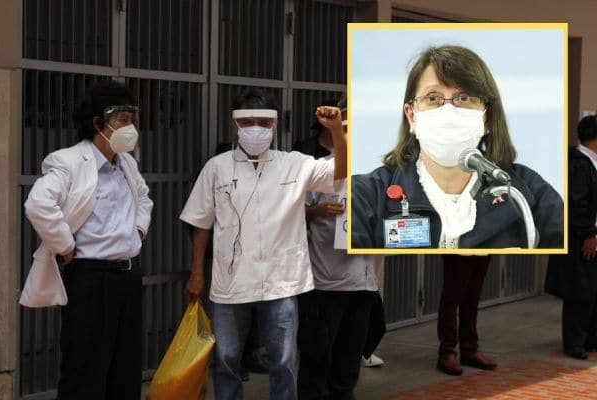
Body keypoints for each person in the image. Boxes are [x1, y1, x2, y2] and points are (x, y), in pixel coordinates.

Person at [179, 88, 346, 400]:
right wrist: (196, 273)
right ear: (234, 125)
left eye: (263, 123)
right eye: (247, 122)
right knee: (226, 359)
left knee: (283, 361)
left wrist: (336, 130)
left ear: (275, 125)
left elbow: (340, 171)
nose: (255, 129)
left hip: (280, 283)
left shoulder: (294, 164)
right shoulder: (217, 167)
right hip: (231, 283)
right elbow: (201, 223)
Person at [351, 45, 563, 249]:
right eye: (433, 98)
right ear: (412, 116)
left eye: (464, 98)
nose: (449, 112)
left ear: (487, 118)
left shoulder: (530, 193)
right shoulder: (365, 196)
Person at [21, 80, 153, 400]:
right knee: (85, 372)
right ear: (98, 123)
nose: (130, 127)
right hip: (91, 279)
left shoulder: (126, 163)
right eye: (122, 120)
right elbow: (38, 204)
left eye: (132, 119)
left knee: (125, 370)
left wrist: (137, 231)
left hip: (127, 277)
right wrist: (65, 246)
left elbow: (144, 199)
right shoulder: (68, 161)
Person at [295, 95, 381, 399]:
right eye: (343, 128)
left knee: (348, 363)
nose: (348, 134)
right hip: (326, 285)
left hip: (365, 284)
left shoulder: (379, 172)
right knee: (316, 361)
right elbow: (290, 213)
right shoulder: (318, 169)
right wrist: (318, 211)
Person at [546, 115, 597, 360]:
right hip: (581, 240)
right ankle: (575, 343)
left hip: (592, 237)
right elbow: (578, 203)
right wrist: (589, 234)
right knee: (580, 292)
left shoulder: (592, 162)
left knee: (592, 290)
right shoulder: (578, 164)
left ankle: (590, 340)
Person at [437, 255, 496, 375]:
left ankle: (469, 349)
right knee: (452, 298)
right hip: (459, 249)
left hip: (483, 248)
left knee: (472, 298)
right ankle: (446, 352)